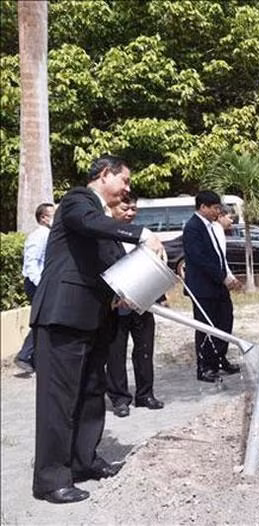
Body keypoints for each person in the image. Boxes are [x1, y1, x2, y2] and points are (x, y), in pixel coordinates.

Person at [30, 155, 164, 503]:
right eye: (125, 181)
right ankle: (51, 480)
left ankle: (83, 460)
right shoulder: (78, 201)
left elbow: (107, 269)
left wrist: (126, 293)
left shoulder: (102, 220)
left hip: (96, 320)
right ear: (105, 175)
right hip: (63, 317)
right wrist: (142, 234)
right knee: (58, 401)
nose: (128, 189)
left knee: (91, 394)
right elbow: (87, 224)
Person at [106, 193, 165, 417]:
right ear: (112, 209)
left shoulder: (143, 237)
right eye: (125, 209)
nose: (130, 213)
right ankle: (120, 399)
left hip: (143, 305)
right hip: (116, 308)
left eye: (133, 209)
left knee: (144, 351)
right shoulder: (105, 237)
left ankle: (145, 395)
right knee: (115, 354)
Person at [182, 190, 242, 383]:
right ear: (203, 207)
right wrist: (222, 277)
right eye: (215, 208)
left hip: (218, 285)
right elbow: (201, 259)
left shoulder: (211, 227)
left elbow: (218, 256)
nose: (218, 212)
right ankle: (205, 367)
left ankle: (219, 357)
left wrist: (228, 276)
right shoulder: (193, 227)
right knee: (207, 326)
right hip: (203, 287)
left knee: (225, 321)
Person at [14, 202, 55, 374]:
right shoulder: (40, 236)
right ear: (43, 218)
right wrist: (42, 285)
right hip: (36, 284)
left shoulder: (49, 234)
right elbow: (31, 264)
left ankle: (37, 360)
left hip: (43, 283)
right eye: (52, 214)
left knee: (45, 322)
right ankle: (24, 356)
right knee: (41, 322)